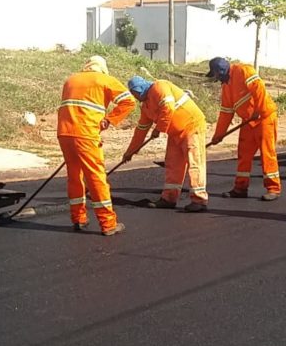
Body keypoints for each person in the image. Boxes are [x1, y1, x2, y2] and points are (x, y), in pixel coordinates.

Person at [57, 55, 136, 236]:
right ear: (102, 68)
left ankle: (78, 218)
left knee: (74, 176)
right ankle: (108, 224)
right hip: (86, 135)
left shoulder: (71, 80)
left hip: (64, 134)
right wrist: (110, 119)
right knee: (95, 177)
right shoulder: (104, 79)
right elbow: (128, 101)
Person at [122, 76, 208, 213]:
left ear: (140, 89)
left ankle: (199, 200)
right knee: (172, 163)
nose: (135, 97)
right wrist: (130, 152)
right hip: (175, 133)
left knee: (194, 162)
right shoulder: (146, 106)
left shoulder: (159, 87)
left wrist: (159, 129)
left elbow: (168, 107)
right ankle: (169, 198)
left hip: (192, 126)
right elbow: (140, 131)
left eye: (135, 93)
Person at [207, 57, 281, 201]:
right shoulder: (226, 86)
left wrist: (258, 110)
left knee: (267, 153)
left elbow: (259, 89)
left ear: (221, 71)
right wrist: (218, 135)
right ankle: (240, 188)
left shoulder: (243, 70)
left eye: (215, 74)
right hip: (248, 121)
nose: (215, 78)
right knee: (243, 154)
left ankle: (273, 188)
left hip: (264, 118)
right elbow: (226, 113)